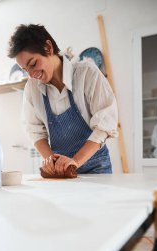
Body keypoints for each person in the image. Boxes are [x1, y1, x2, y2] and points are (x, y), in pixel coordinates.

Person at [8, 24, 118, 176]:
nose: (32, 74)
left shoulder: (87, 73)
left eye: (33, 64)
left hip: (97, 169)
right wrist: (51, 161)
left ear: (48, 47)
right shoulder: (32, 88)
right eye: (26, 70)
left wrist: (75, 162)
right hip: (61, 172)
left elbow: (104, 126)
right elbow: (35, 132)